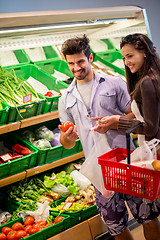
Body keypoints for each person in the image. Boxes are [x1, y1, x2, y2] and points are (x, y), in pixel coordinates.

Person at [58, 34, 160, 240]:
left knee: (148, 217)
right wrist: (67, 137)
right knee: (116, 228)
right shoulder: (65, 98)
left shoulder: (114, 83)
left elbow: (133, 113)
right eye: (71, 63)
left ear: (90, 58)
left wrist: (115, 121)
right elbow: (67, 144)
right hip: (99, 173)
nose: (76, 67)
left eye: (80, 61)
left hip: (128, 163)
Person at [92, 33, 160, 240]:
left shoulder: (148, 82)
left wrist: (117, 122)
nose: (127, 62)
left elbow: (150, 127)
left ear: (144, 53)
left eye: (130, 56)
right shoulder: (152, 77)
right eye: (124, 58)